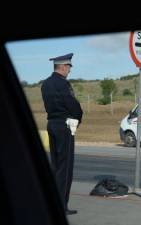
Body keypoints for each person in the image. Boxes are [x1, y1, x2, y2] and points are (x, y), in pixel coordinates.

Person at [41, 53, 83, 215]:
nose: (70, 71)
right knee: (65, 168)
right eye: (69, 67)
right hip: (65, 125)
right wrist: (78, 118)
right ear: (64, 66)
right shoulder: (63, 84)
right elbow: (72, 104)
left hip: (52, 123)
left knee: (56, 165)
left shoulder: (45, 84)